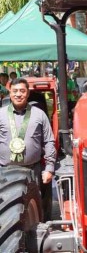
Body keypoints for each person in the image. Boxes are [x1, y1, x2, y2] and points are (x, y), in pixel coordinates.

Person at [0, 78, 56, 221]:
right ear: (10, 93)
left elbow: (49, 141)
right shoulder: (1, 114)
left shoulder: (39, 114)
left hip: (33, 171)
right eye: (15, 91)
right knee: (7, 215)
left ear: (28, 93)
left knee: (33, 212)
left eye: (22, 91)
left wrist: (49, 168)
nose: (18, 94)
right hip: (5, 172)